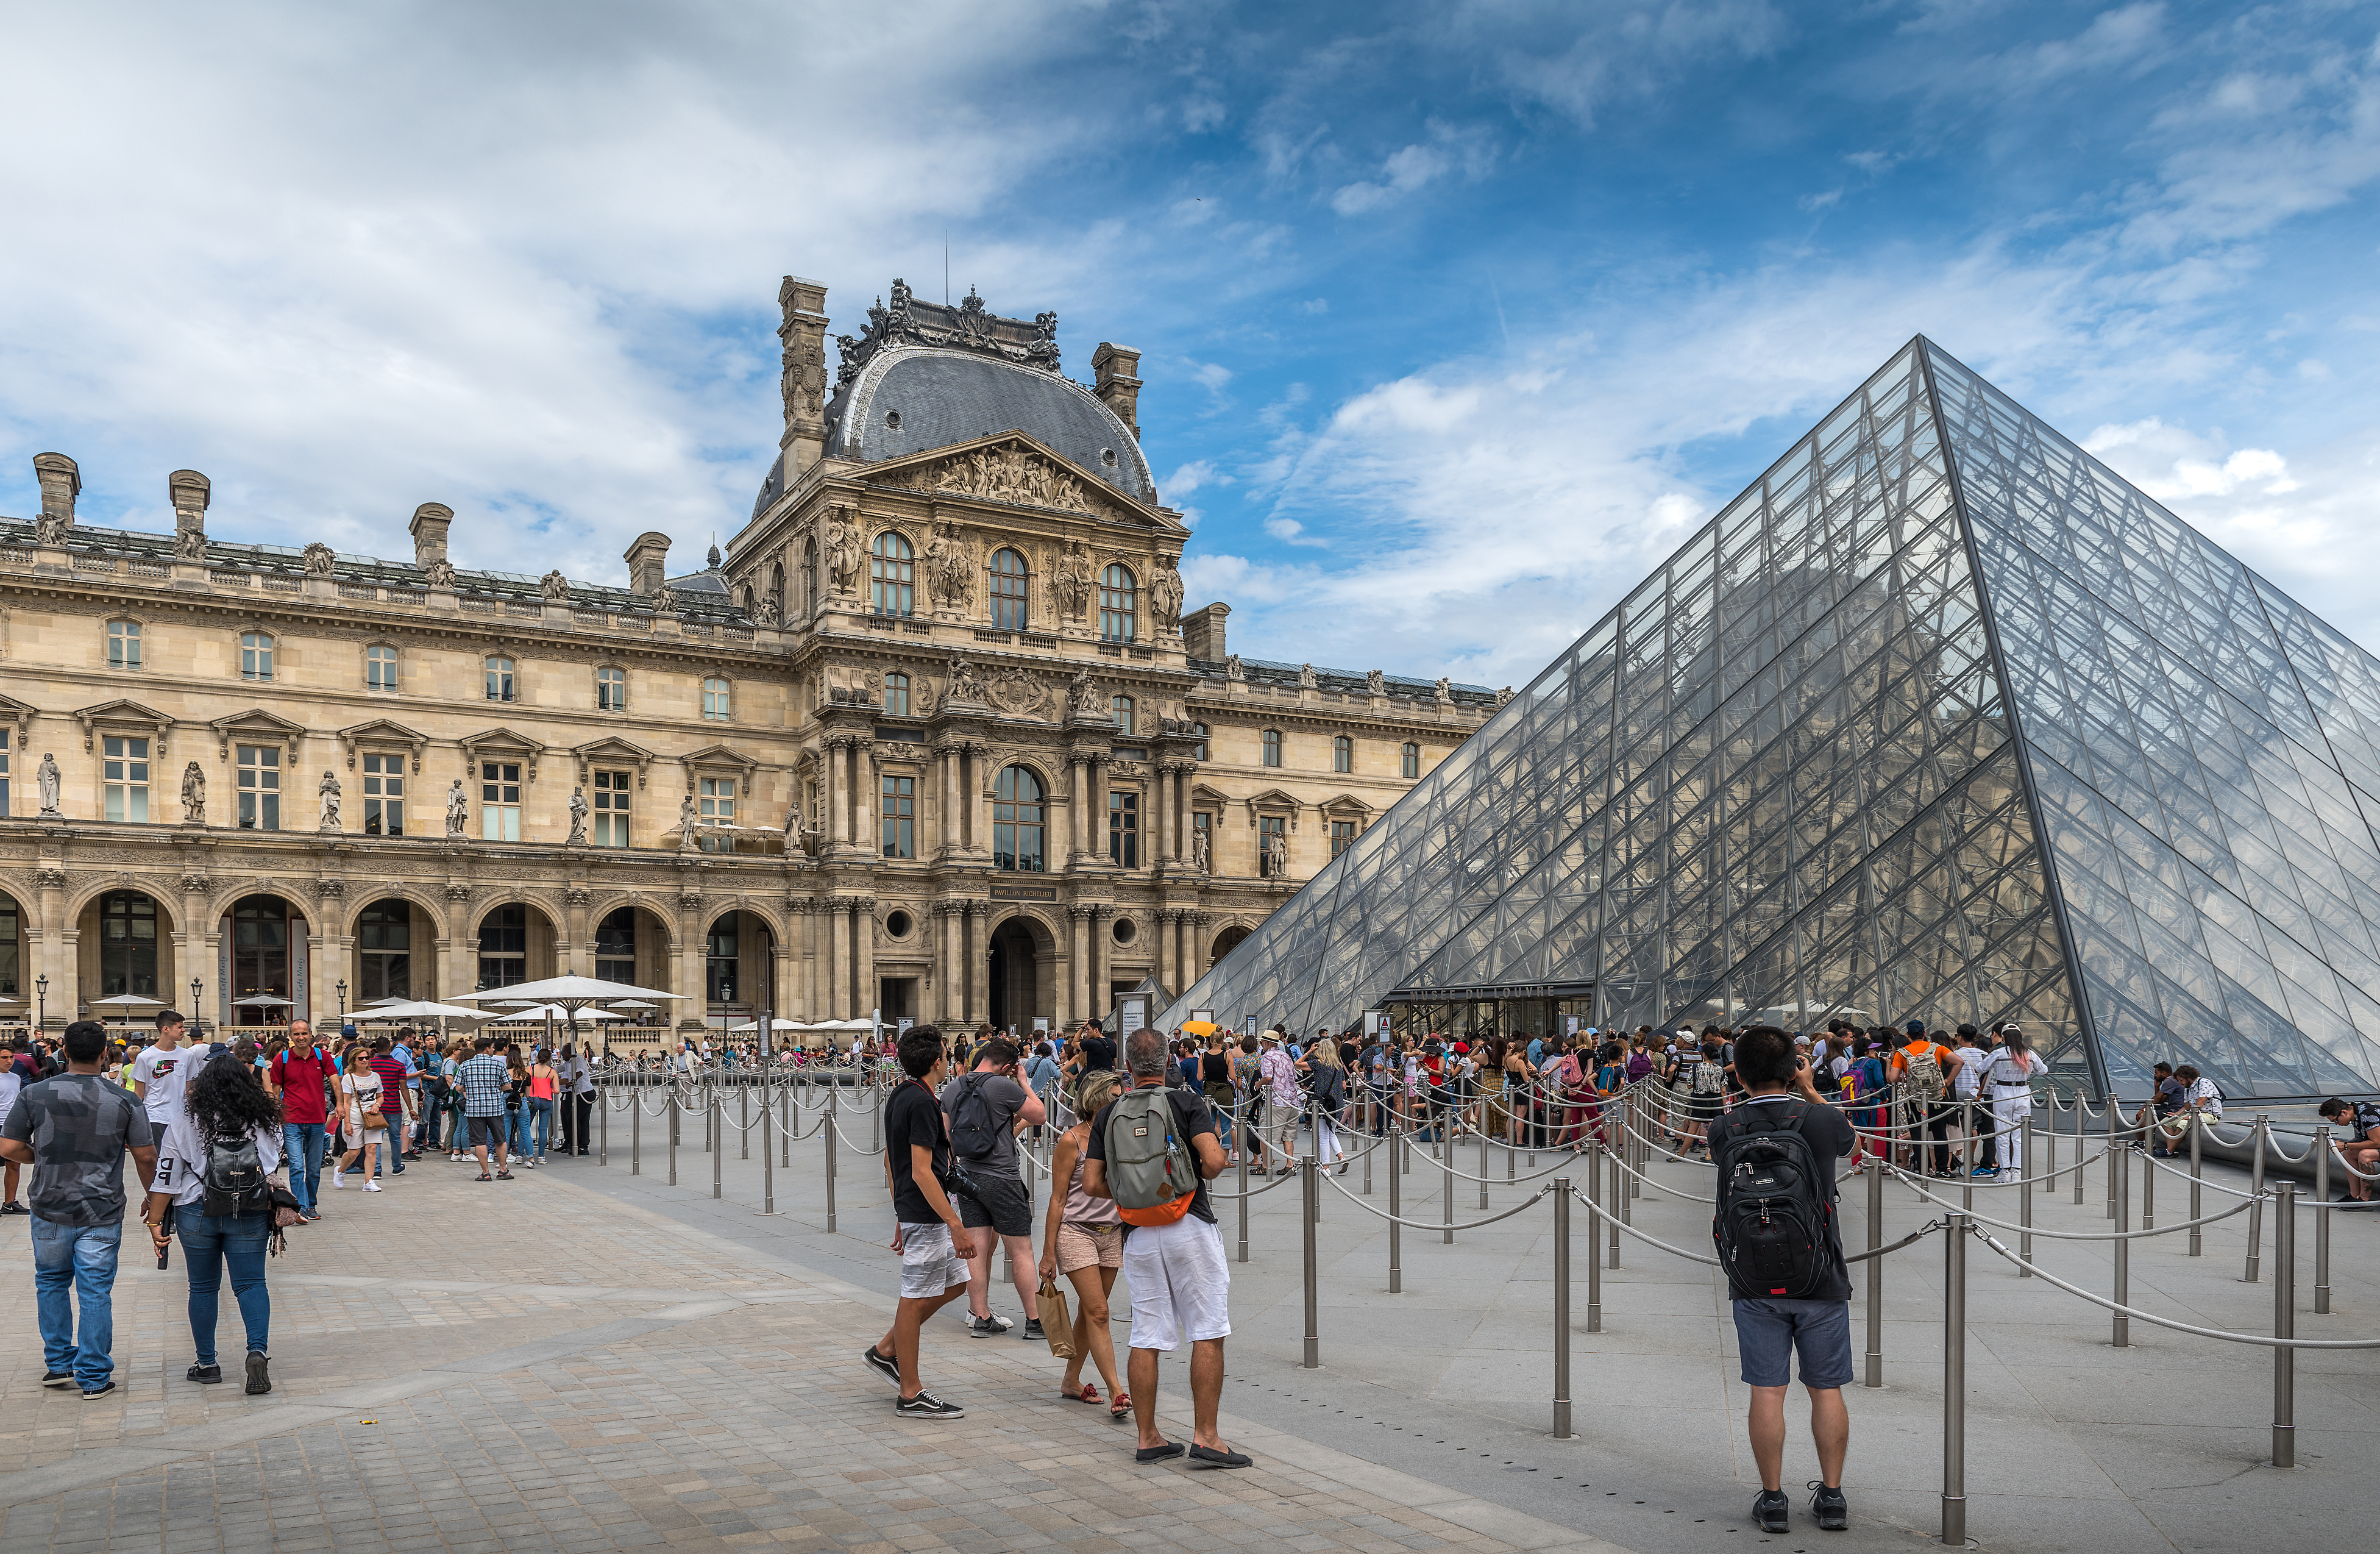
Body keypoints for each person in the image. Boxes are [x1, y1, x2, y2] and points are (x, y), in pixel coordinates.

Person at [1707, 1025, 1855, 1533]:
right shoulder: (1819, 1118)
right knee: (1826, 1388)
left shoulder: (1723, 1126)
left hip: (1752, 1276)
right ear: (1793, 1065)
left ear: (1739, 1072)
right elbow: (1847, 1141)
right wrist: (1810, 1088)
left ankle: (1772, 1500)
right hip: (1819, 1273)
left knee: (1766, 1390)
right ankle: (1831, 1496)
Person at [1082, 1027, 1246, 1468]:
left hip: (1137, 1232)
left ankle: (1149, 1436)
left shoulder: (1108, 1112)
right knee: (1207, 1329)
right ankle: (1206, 1436)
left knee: (1146, 1334)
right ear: (1168, 1062)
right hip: (1189, 1223)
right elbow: (1212, 1163)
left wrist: (1133, 1191)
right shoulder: (1186, 1102)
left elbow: (1092, 1182)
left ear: (1128, 1067)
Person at [0, 1020, 160, 1398]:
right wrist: (154, 1197)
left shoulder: (34, 1094)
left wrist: (43, 1157)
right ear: (105, 1054)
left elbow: (7, 1148)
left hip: (49, 1204)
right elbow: (146, 1155)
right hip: (101, 1207)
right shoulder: (124, 1099)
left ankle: (58, 1363)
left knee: (51, 1282)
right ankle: (93, 1375)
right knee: (94, 1290)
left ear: (65, 1053)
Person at [145, 1046, 284, 1394]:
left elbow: (166, 1177)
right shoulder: (265, 1122)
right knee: (251, 1284)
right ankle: (257, 1351)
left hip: (195, 1211)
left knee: (203, 1287)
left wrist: (155, 1221)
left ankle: (207, 1364)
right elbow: (270, 1167)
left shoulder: (185, 1121)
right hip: (248, 1211)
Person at [860, 1025, 976, 1417]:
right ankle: (910, 1392)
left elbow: (892, 1159)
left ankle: (887, 1349)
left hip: (920, 1211)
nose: (948, 1059)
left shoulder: (902, 1094)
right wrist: (955, 1225)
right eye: (945, 1053)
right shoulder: (924, 1103)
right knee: (913, 1298)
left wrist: (899, 1211)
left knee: (958, 1283)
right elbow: (923, 1171)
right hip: (929, 1212)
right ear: (936, 1061)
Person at [939, 1035, 1046, 1338]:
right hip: (1003, 1177)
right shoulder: (1005, 1085)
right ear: (1009, 1066)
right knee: (1021, 1251)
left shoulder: (953, 1087)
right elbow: (1040, 1115)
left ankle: (982, 1317)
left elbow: (946, 1136)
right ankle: (1035, 1321)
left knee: (976, 1250)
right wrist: (1023, 1081)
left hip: (968, 1178)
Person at [1039, 1069, 1129, 1415]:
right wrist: (1048, 1254)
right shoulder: (1071, 1141)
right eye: (1114, 1097)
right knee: (1099, 1311)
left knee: (1089, 1311)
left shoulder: (1122, 1137)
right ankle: (1118, 1390)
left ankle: (1071, 1380)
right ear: (1095, 1102)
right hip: (1076, 1231)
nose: (1121, 1102)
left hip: (1112, 1233)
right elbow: (1058, 1199)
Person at [267, 1024, 336, 1221]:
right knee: (297, 1166)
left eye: (304, 1033)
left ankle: (311, 1204)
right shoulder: (283, 1059)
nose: (301, 1037)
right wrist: (276, 1115)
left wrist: (340, 1104)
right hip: (292, 1120)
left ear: (310, 1035)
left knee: (313, 1169)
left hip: (316, 1119)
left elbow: (335, 1080)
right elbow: (276, 1090)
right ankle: (301, 1207)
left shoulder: (322, 1057)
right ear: (290, 1036)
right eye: (296, 1034)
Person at [1887, 1028, 1963, 1176]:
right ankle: (1941, 1169)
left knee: (1917, 1134)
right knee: (1940, 1134)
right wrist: (1947, 1081)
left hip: (1914, 1100)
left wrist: (1904, 1076)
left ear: (1908, 1035)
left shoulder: (1902, 1053)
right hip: (1937, 1098)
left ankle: (1923, 1169)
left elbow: (1893, 1078)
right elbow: (1959, 1062)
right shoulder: (1937, 1048)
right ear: (1924, 1033)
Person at [1982, 1025, 2045, 1178]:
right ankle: (2017, 1170)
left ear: (2003, 1037)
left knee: (2002, 1133)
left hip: (2003, 1093)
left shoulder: (1999, 1053)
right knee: (2019, 1134)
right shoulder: (2030, 1054)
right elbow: (2043, 1070)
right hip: (2023, 1093)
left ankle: (2005, 1171)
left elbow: (1981, 1068)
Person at [457, 1037, 515, 1179]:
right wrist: (495, 1087)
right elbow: (508, 1086)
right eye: (493, 1047)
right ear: (488, 1049)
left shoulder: (465, 1065)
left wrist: (471, 1087)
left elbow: (458, 1087)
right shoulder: (498, 1065)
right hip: (495, 1107)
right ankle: (503, 1170)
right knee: (500, 1140)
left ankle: (485, 1173)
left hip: (474, 1108)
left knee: (479, 1141)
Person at [131, 1008, 196, 1133]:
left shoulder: (187, 1055)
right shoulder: (145, 1057)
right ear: (166, 1029)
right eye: (180, 1027)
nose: (184, 1030)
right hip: (155, 1117)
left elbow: (191, 1089)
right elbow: (139, 1093)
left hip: (181, 1117)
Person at [330, 1049, 386, 1192]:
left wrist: (376, 1105)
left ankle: (369, 1182)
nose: (364, 1060)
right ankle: (341, 1170)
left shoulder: (375, 1076)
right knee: (353, 1153)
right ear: (354, 1061)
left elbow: (380, 1096)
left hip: (372, 1118)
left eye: (367, 1058)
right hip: (354, 1118)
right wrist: (347, 1123)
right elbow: (346, 1102)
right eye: (361, 1058)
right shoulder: (349, 1078)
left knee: (372, 1149)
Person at [2315, 1096, 2380, 1202]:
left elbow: (2377, 1143)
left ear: (2344, 1113)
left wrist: (2346, 1145)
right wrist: (2341, 1146)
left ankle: (2364, 1200)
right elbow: (2361, 1140)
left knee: (2365, 1155)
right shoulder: (2356, 1112)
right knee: (2348, 1154)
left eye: (2336, 1120)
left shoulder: (2367, 1114)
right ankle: (2354, 1196)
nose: (2336, 1123)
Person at [366, 1036, 414, 1177]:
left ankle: (377, 1170)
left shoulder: (371, 1065)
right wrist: (410, 1108)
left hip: (375, 1106)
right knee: (395, 1138)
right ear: (389, 1048)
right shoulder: (398, 1066)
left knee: (376, 1139)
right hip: (393, 1106)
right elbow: (404, 1088)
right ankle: (397, 1166)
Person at [526, 1048, 558, 1164]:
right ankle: (541, 1156)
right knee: (543, 1129)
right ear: (550, 1059)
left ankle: (523, 1154)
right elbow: (557, 1090)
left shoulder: (530, 1069)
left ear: (537, 1057)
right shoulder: (552, 1072)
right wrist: (547, 1088)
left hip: (532, 1099)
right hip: (547, 1100)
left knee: (526, 1127)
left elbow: (525, 1085)